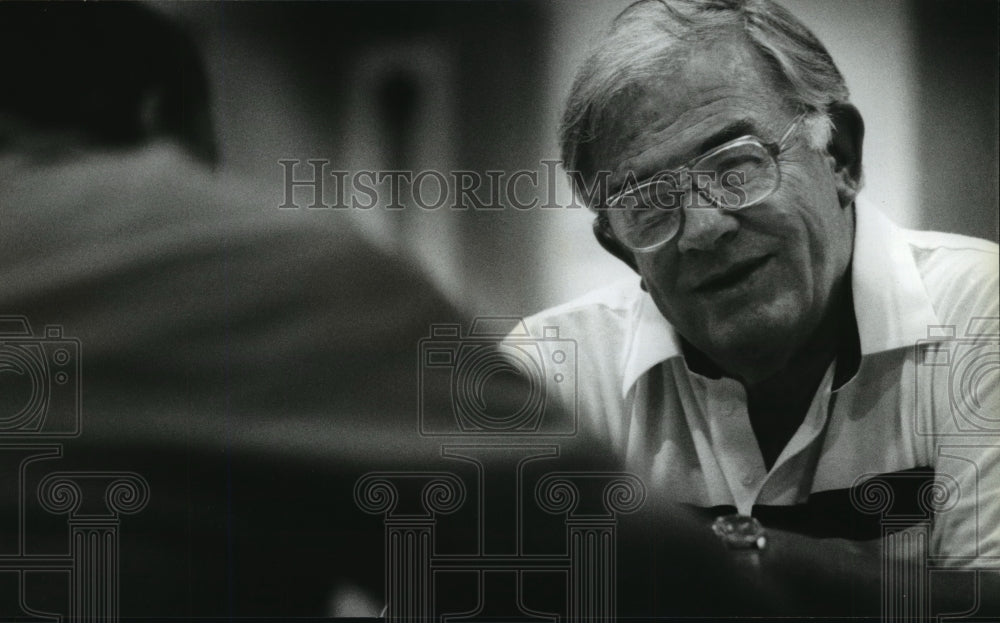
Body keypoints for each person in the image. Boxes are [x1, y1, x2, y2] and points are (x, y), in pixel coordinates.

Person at [517, 0, 999, 616]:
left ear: (840, 158)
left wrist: (731, 557)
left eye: (735, 166)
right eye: (648, 203)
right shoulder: (552, 373)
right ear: (622, 250)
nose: (703, 229)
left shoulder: (979, 315)